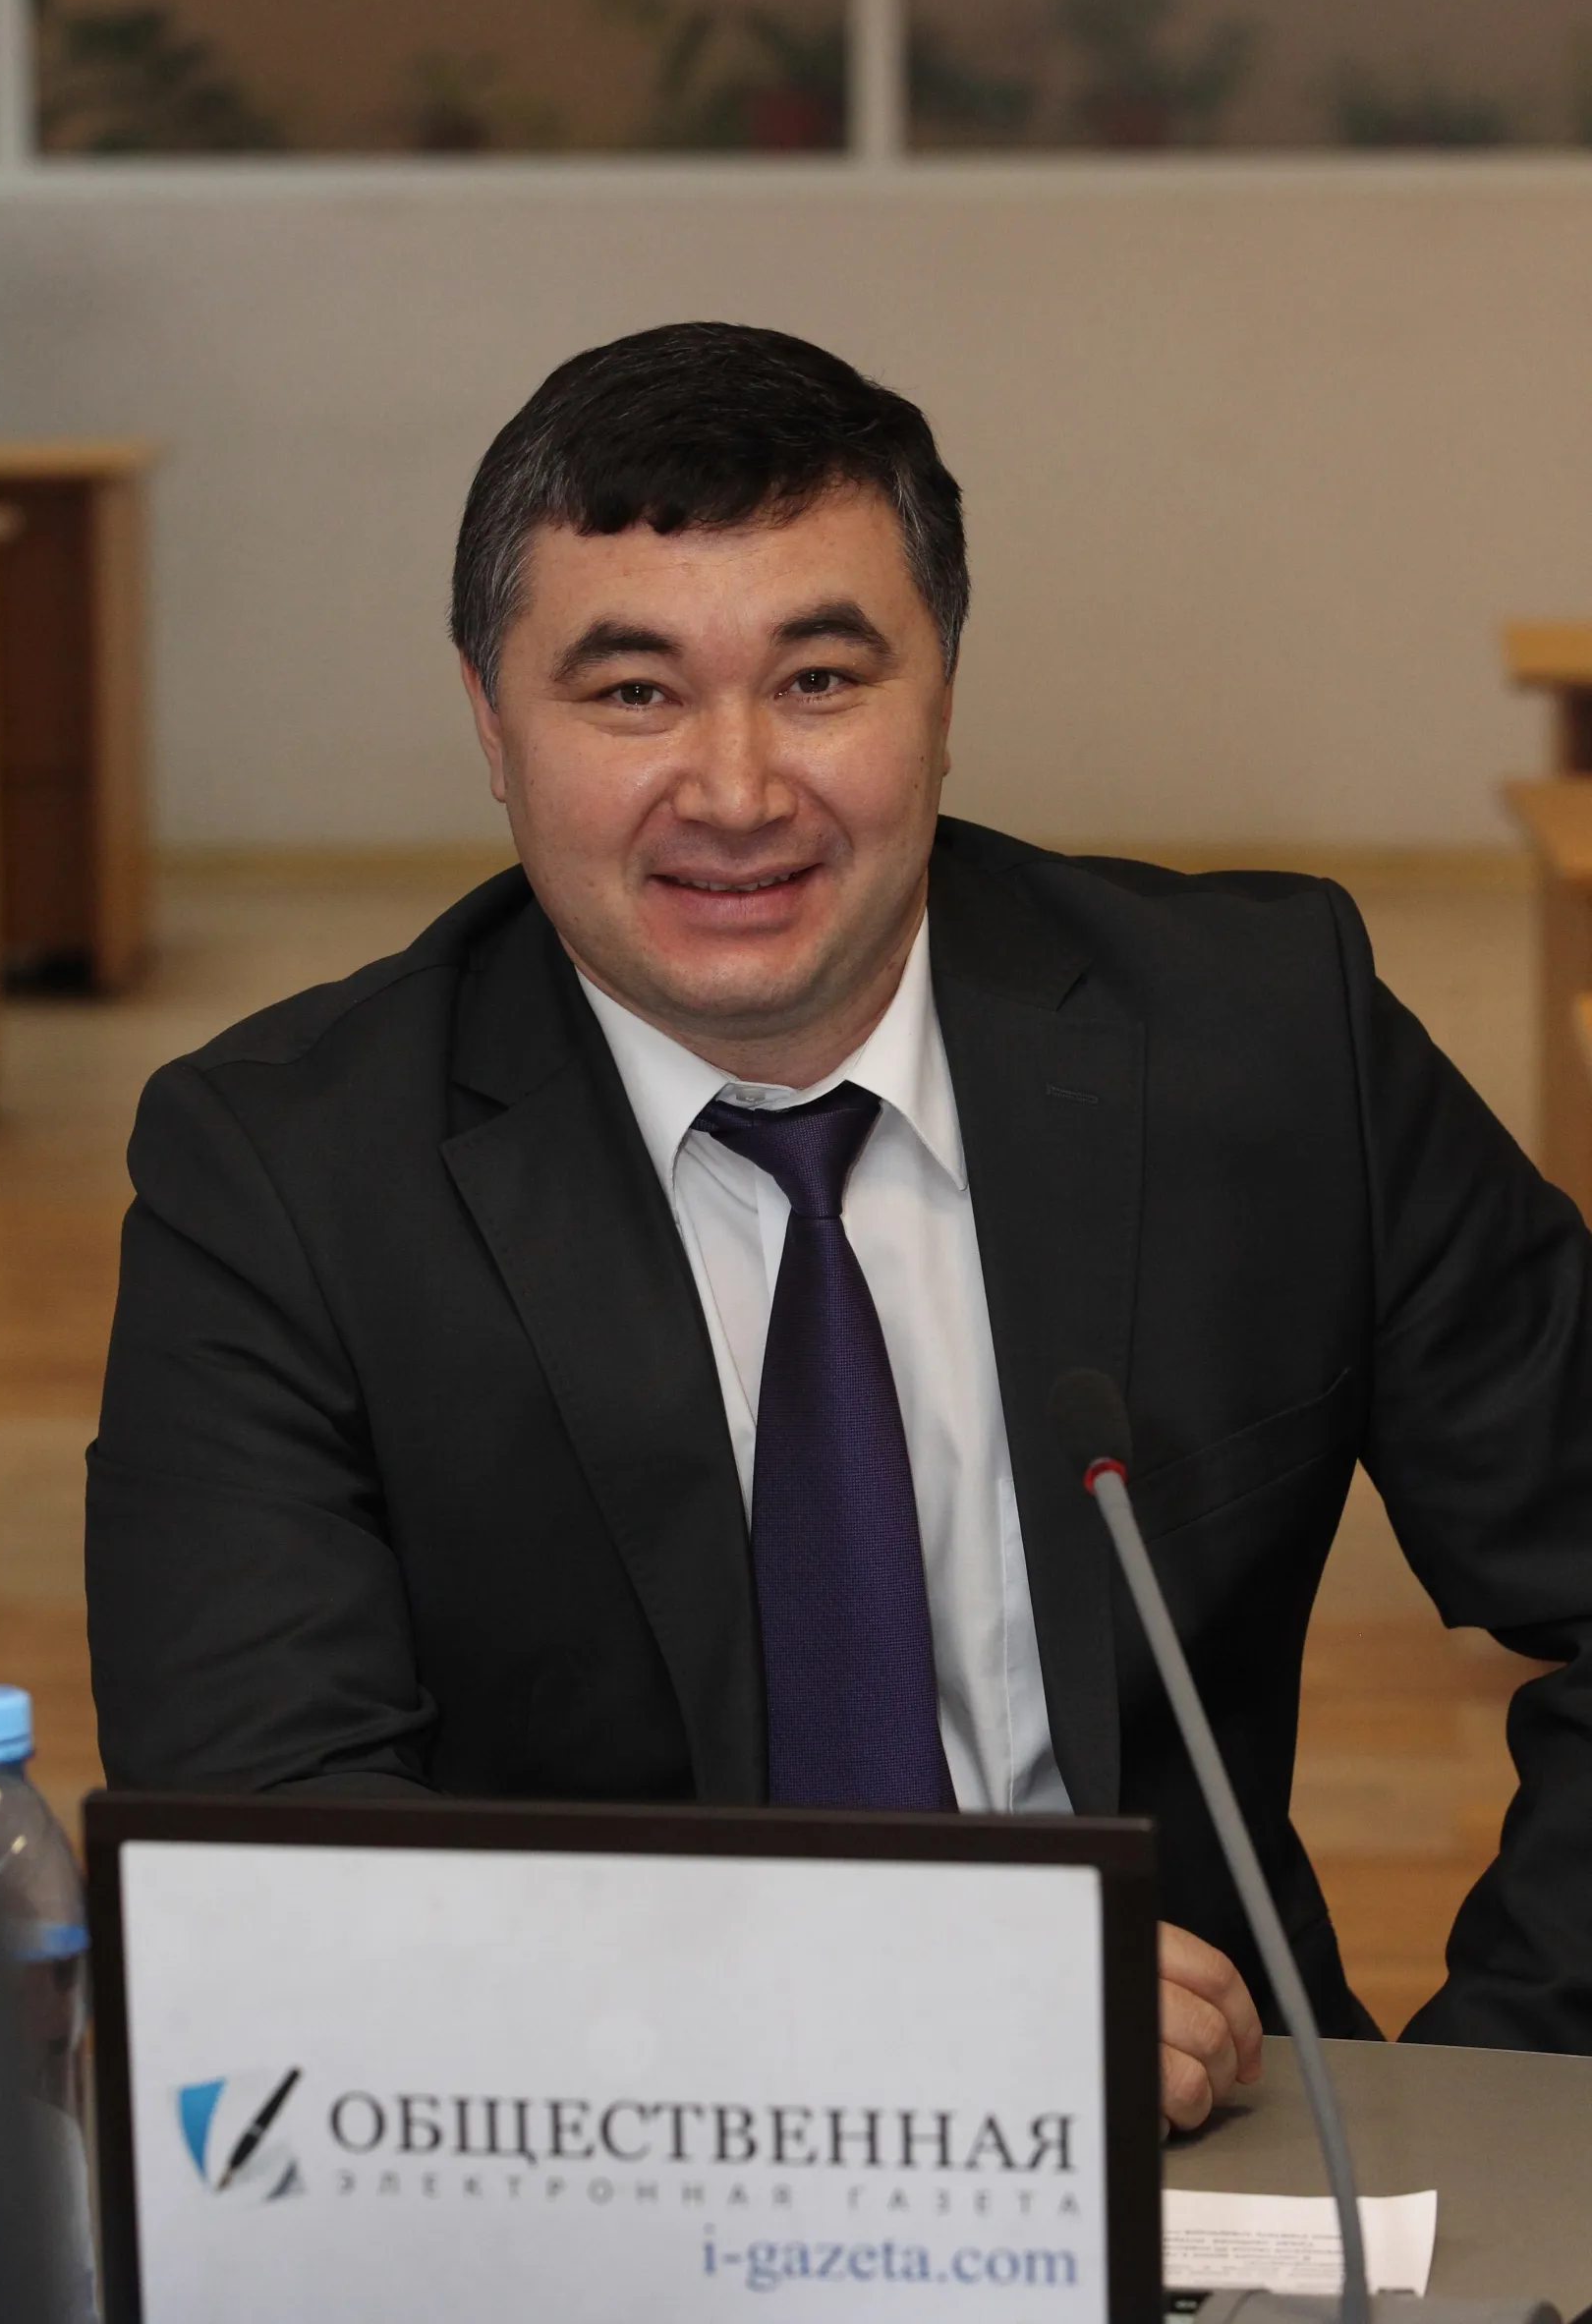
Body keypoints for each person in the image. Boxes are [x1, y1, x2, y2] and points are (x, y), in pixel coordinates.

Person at [87, 322, 1592, 2132]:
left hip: (1194, 2139)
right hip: (578, 2165)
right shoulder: (285, 1172)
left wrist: (1498, 2107)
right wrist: (922, 2024)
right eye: (632, 694)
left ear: (943, 689)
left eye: (818, 680)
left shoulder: (1267, 1043)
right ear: (490, 722)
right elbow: (266, 1856)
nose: (736, 792)